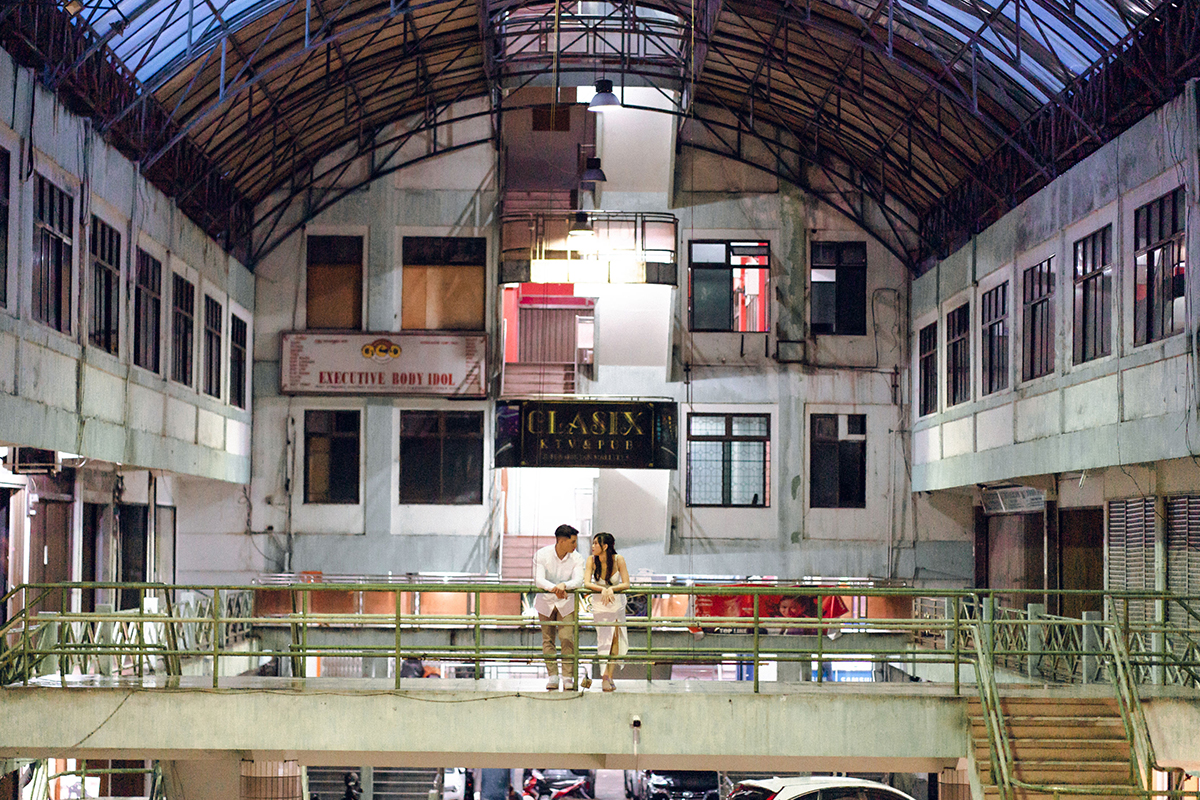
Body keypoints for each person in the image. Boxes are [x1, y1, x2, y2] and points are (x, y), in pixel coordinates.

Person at [533, 523, 585, 690]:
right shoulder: (542, 555)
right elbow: (539, 579)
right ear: (562, 541)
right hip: (546, 601)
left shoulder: (577, 558)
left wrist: (563, 585)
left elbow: (578, 580)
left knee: (567, 638)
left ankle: (567, 676)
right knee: (547, 640)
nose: (575, 546)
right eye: (573, 542)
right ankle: (553, 676)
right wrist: (555, 588)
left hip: (566, 602)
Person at [583, 531, 630, 692]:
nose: (593, 546)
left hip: (616, 604)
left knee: (615, 640)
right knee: (603, 640)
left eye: (596, 543)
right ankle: (604, 675)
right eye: (593, 543)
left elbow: (626, 583)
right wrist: (602, 590)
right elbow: (587, 583)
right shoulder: (591, 560)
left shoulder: (619, 559)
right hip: (600, 604)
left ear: (605, 546)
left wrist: (612, 589)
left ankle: (608, 675)